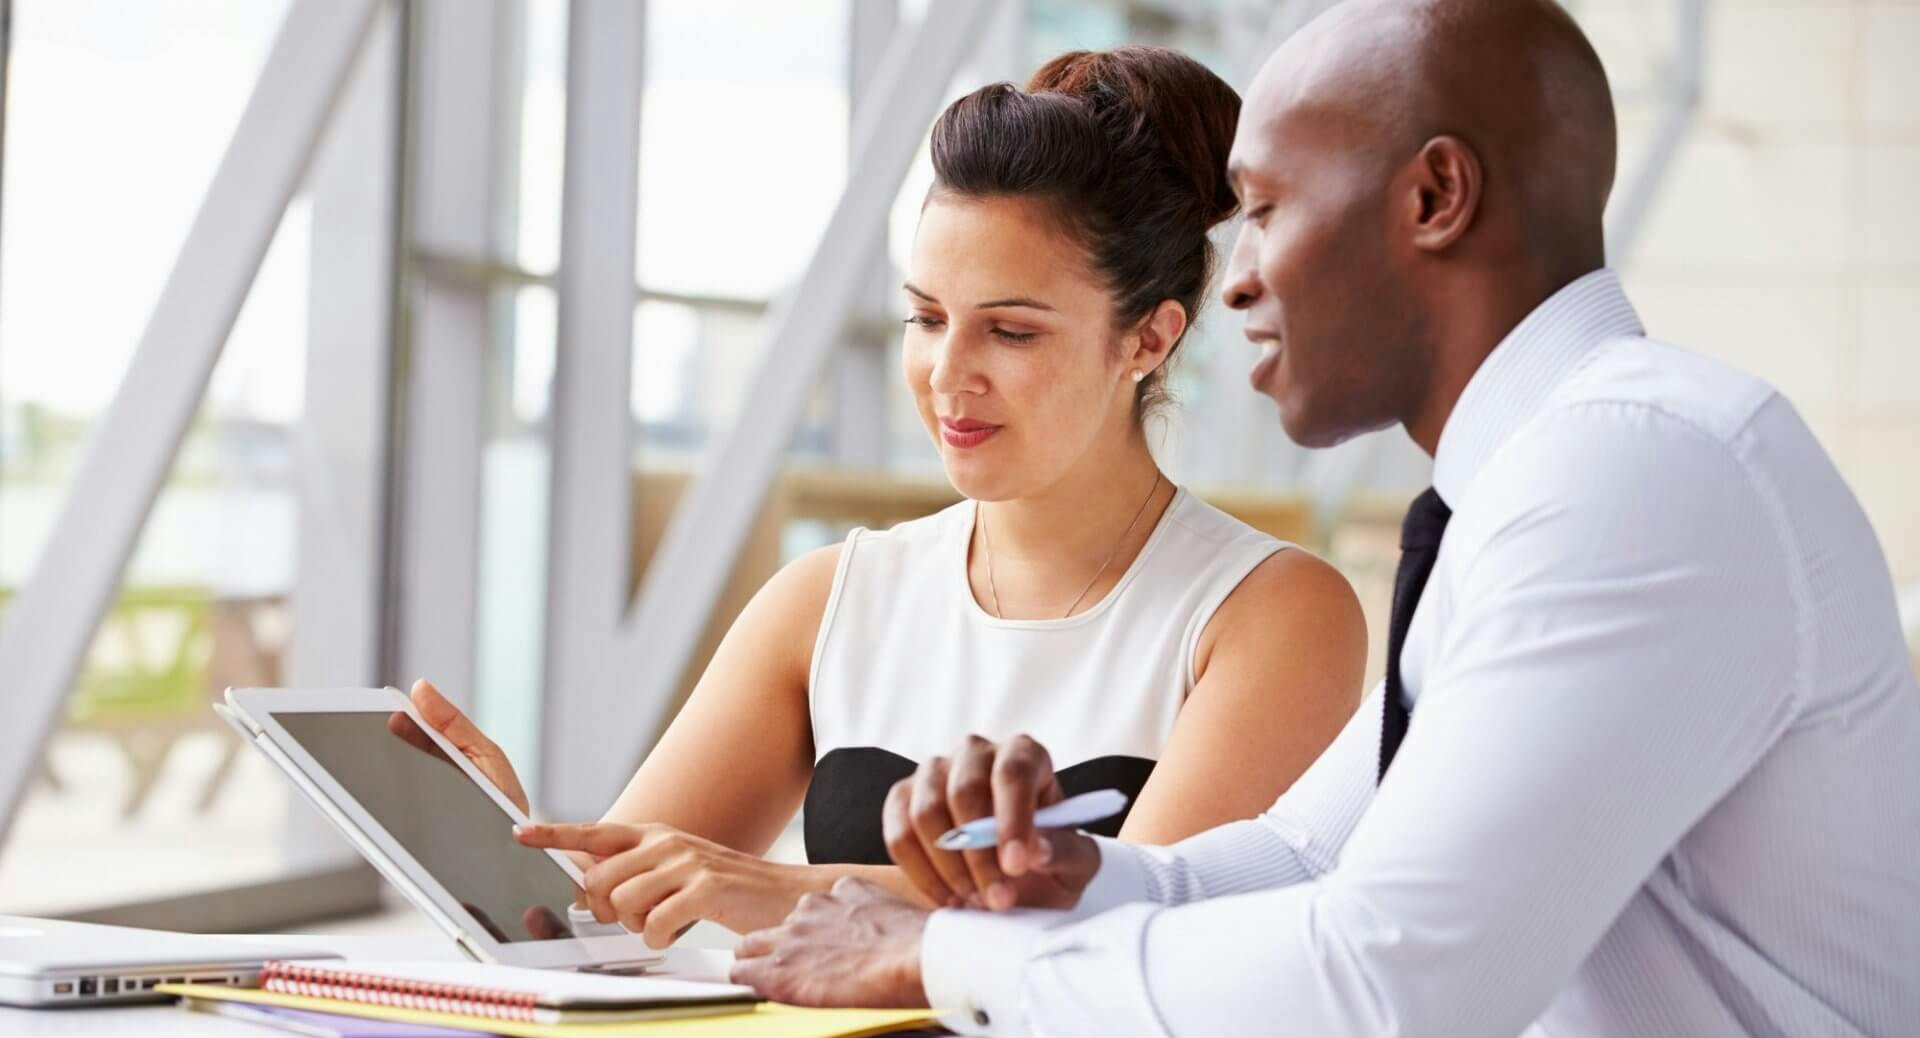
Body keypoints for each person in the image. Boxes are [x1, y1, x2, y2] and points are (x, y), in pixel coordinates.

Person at [728, 2, 1920, 1038]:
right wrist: (1070, 881)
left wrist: (945, 961)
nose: (1235, 283)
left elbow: (1385, 998)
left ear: (1433, 199)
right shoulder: (1538, 483)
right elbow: (1305, 858)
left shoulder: (1637, 471)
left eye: (1266, 210)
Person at [401, 47, 1367, 950]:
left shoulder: (1274, 614)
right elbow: (615, 914)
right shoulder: (828, 600)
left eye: (1011, 332)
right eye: (926, 318)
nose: (949, 373)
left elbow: (1139, 927)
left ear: (1150, 341)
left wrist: (783, 891)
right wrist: (500, 845)